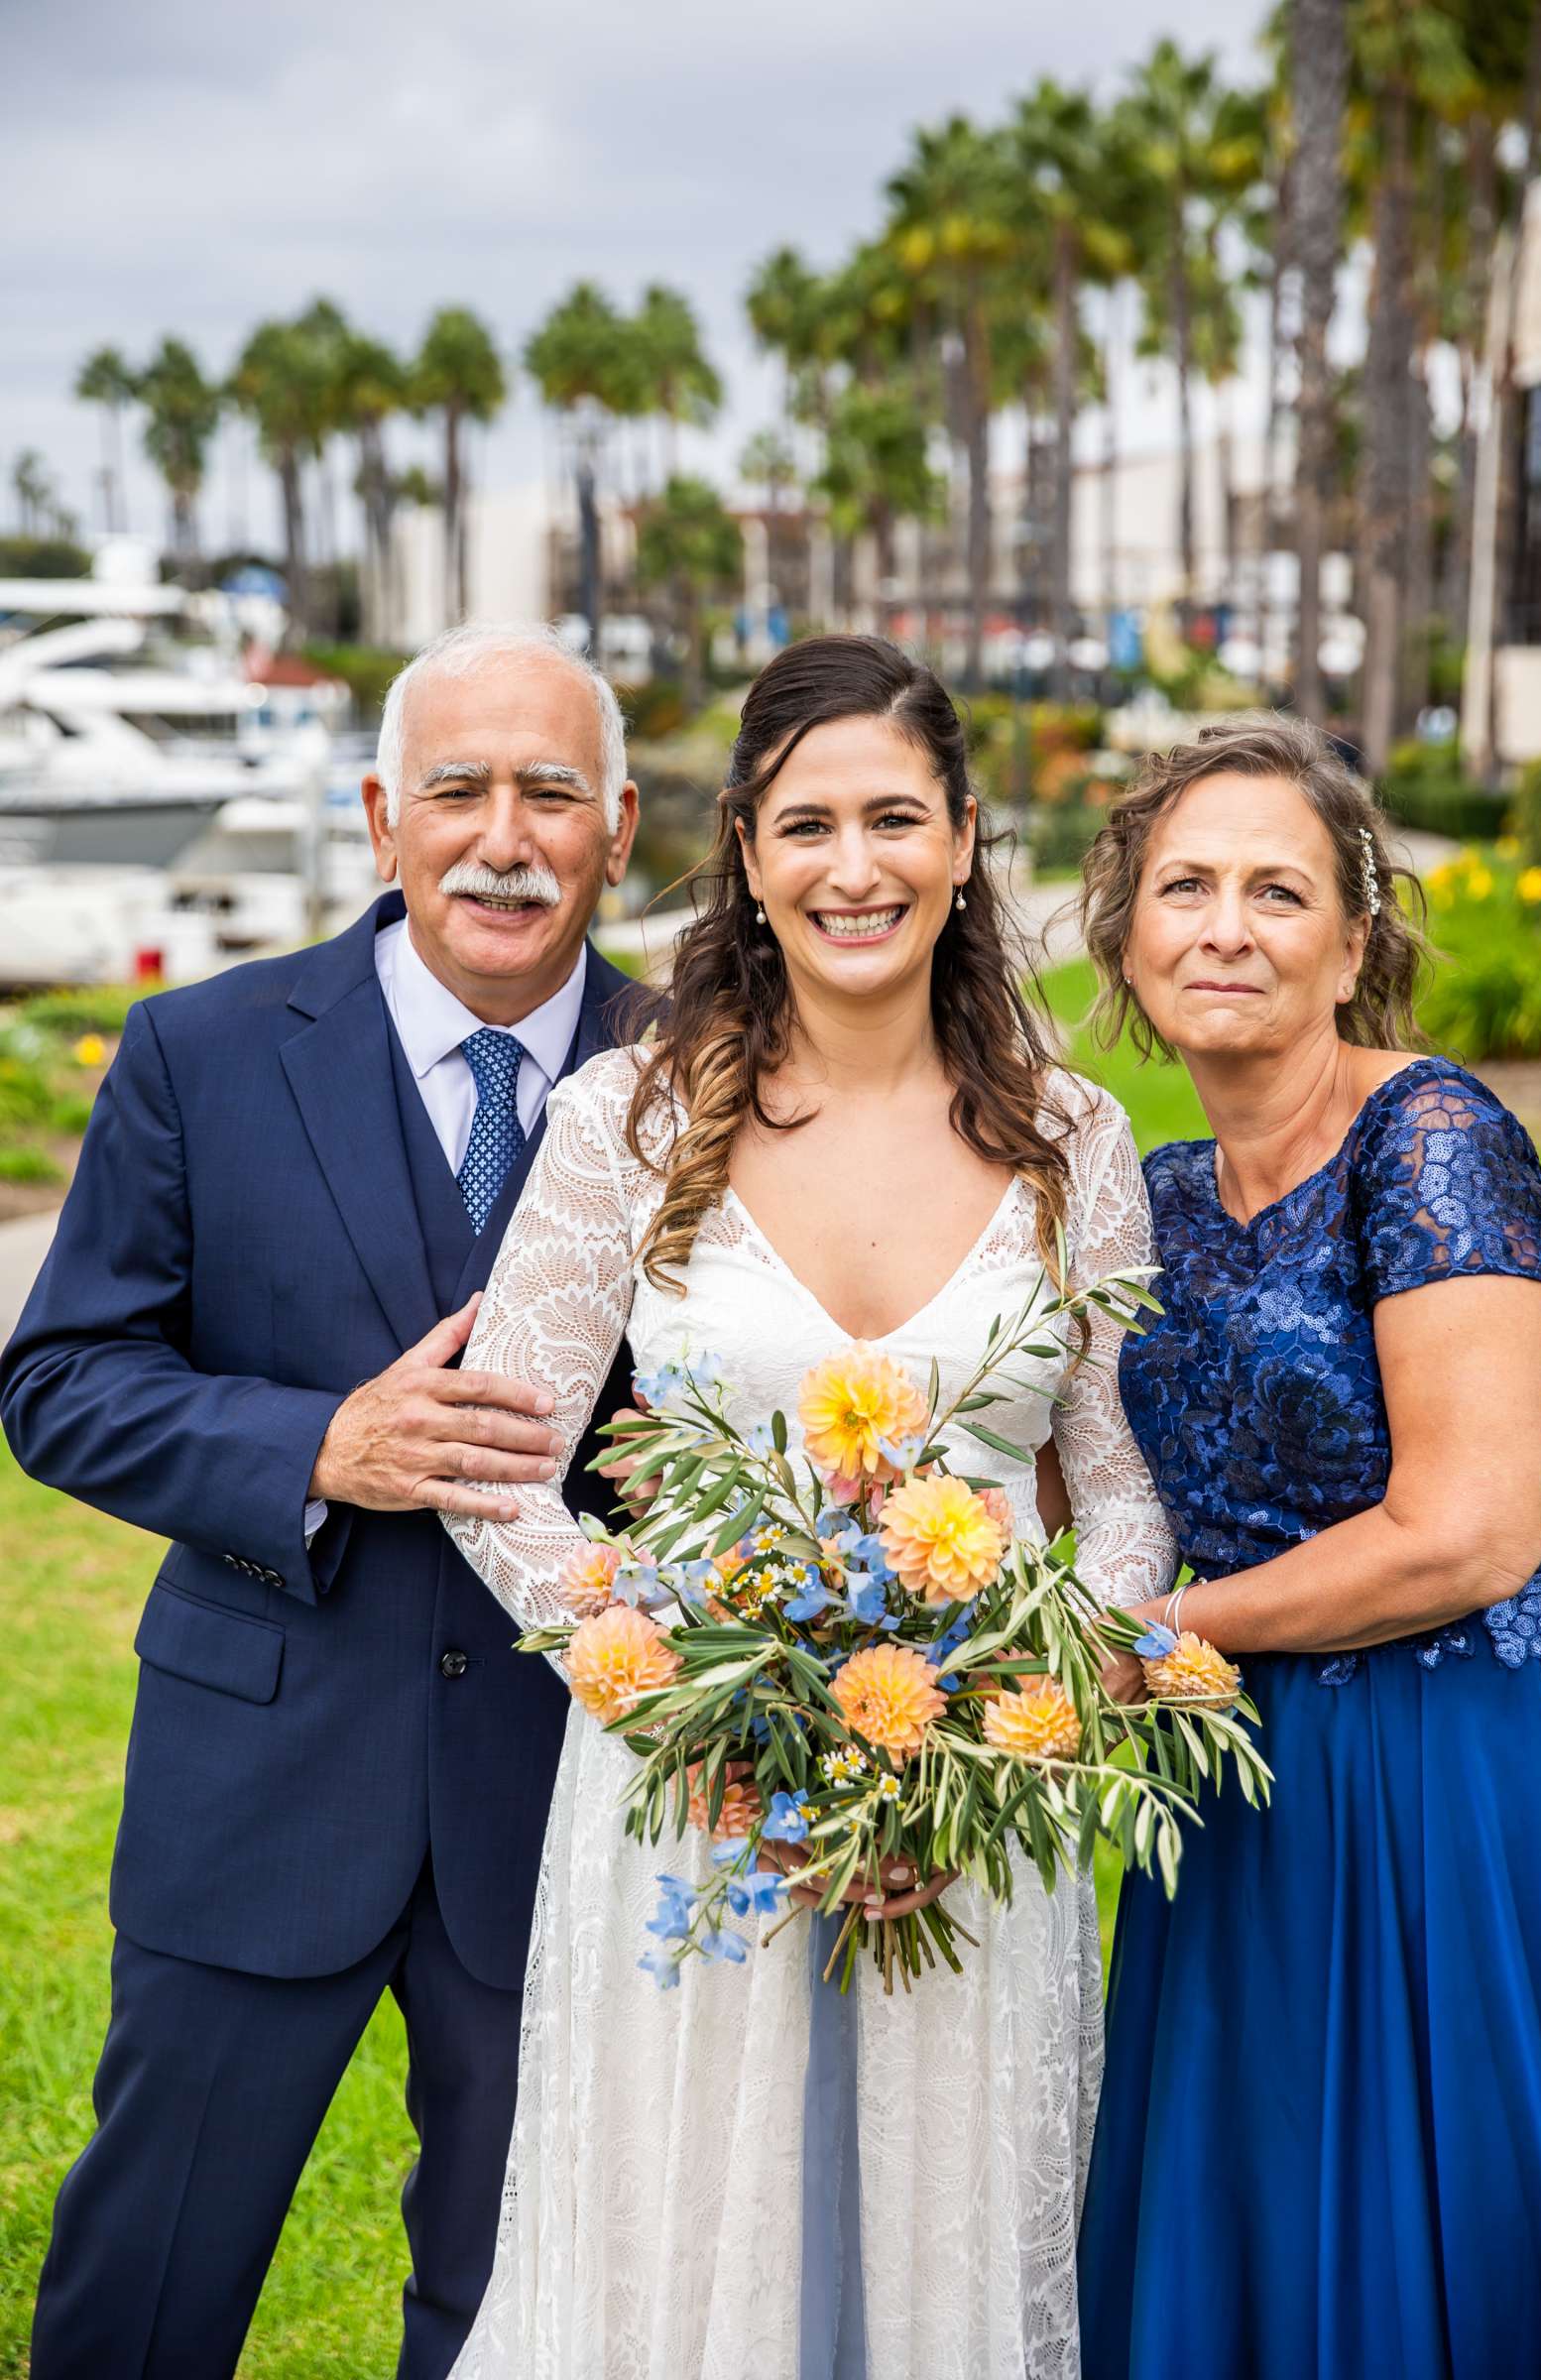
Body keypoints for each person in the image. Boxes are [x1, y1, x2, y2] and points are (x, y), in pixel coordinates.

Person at [438, 634, 1178, 2380]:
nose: (857, 868)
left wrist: (1023, 1719)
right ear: (749, 859)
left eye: (898, 820)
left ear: (966, 837)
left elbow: (1126, 1495)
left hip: (974, 1816)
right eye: (809, 827)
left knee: (937, 2256)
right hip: (686, 1805)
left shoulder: (1075, 1141)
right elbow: (500, 1477)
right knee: (688, 2256)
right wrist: (687, 1712)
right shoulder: (626, 1117)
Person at [0, 623, 640, 2379]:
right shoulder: (198, 1054)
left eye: (549, 791)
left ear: (621, 825)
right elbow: (56, 1384)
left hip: (577, 1796)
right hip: (257, 1789)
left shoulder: (721, 1076)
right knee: (148, 2282)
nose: (500, 835)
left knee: (524, 2299)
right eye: (456, 789)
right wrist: (312, 1451)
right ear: (380, 818)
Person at [1074, 714, 1541, 2379]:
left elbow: (1470, 1533)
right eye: (1187, 886)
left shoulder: (1431, 1143)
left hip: (1442, 1766)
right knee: (1250, 2212)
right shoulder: (1147, 1191)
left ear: (1353, 940)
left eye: (1278, 891)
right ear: (1128, 931)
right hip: (1230, 1776)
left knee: (1425, 2220)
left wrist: (1153, 1641)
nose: (1226, 926)